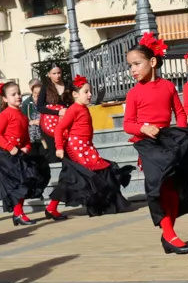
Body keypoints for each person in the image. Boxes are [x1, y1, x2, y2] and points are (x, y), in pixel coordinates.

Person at [124, 33, 188, 254]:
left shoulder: (168, 87)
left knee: (172, 188)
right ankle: (169, 233)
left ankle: (169, 234)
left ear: (152, 62)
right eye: (130, 65)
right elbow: (128, 124)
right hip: (148, 146)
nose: (132, 69)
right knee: (158, 188)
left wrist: (180, 137)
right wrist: (143, 127)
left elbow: (179, 113)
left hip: (168, 142)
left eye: (136, 64)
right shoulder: (133, 93)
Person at [46, 75, 134, 219]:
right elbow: (59, 128)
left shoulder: (84, 109)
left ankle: (103, 205)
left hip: (86, 148)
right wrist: (59, 147)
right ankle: (52, 208)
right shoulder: (74, 109)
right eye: (86, 91)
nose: (90, 94)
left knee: (96, 173)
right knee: (77, 179)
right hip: (76, 150)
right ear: (75, 94)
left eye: (90, 91)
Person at [0, 80, 49, 226]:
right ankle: (18, 213)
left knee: (29, 177)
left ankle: (18, 214)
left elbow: (26, 138)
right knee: (18, 180)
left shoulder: (22, 116)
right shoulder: (4, 115)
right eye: (13, 94)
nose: (18, 96)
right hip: (3, 153)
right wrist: (10, 147)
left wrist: (26, 147)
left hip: (17, 152)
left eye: (19, 93)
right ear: (4, 98)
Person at [36, 65, 70, 152]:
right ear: (49, 74)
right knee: (54, 149)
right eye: (54, 73)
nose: (57, 76)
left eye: (59, 73)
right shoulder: (45, 87)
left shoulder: (68, 85)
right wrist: (57, 112)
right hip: (49, 123)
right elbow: (39, 107)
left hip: (66, 120)